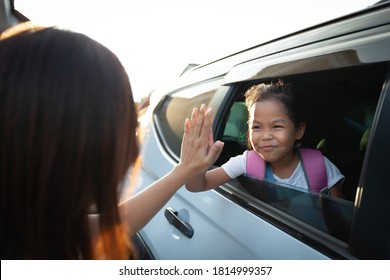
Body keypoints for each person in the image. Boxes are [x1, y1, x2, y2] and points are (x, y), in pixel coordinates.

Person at [0, 23, 223, 259]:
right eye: (125, 127)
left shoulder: (34, 223)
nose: (133, 152)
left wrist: (182, 171)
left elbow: (114, 225)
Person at [185, 80, 345, 198]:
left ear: (299, 130)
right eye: (257, 127)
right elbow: (196, 186)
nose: (266, 136)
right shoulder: (245, 162)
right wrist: (197, 166)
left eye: (276, 126)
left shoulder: (320, 166)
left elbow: (341, 223)